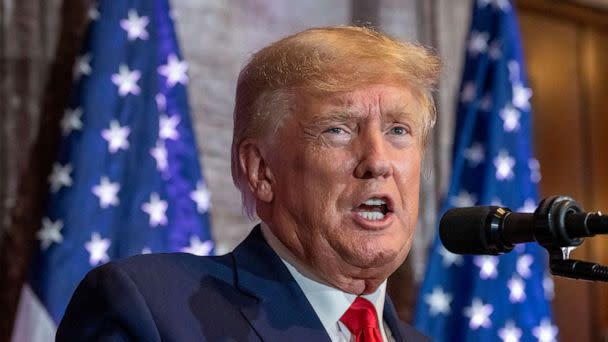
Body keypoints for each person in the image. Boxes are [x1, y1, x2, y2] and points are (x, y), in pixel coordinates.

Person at [57, 25, 440, 341]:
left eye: (398, 130)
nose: (377, 161)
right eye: (337, 129)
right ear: (260, 170)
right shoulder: (152, 308)